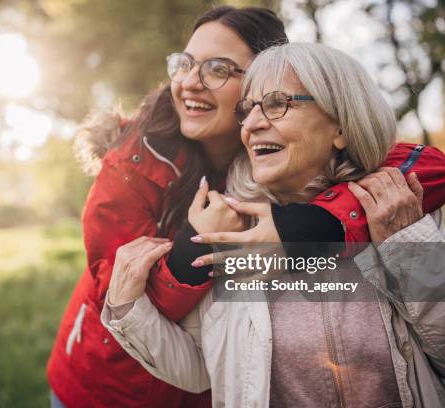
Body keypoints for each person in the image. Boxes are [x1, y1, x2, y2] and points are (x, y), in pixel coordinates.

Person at [102, 42, 445, 407]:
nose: (252, 125)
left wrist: (403, 249)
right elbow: (199, 369)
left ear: (340, 125)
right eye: (248, 110)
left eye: (277, 104)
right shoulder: (233, 230)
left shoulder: (397, 212)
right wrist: (126, 309)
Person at [47, 7, 289, 408]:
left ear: (263, 85)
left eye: (217, 69)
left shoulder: (286, 150)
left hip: (209, 388)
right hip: (108, 386)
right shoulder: (132, 164)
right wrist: (197, 241)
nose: (190, 83)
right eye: (186, 64)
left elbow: (422, 168)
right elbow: (123, 300)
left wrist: (319, 220)